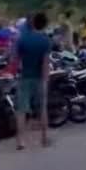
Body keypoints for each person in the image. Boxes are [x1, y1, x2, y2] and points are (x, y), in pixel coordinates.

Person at [15, 12, 51, 150]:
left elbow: (16, 60)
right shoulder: (45, 40)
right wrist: (45, 80)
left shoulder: (22, 39)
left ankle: (21, 141)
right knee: (42, 108)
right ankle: (44, 138)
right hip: (39, 78)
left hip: (25, 77)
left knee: (21, 110)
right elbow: (45, 63)